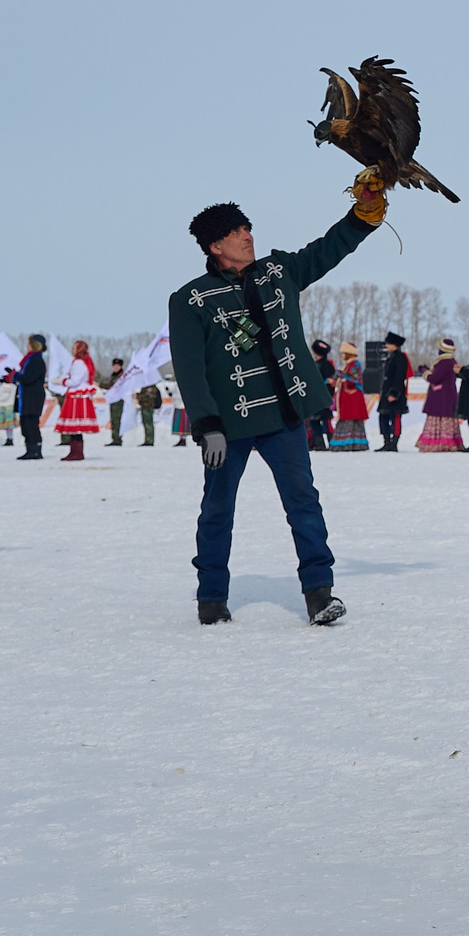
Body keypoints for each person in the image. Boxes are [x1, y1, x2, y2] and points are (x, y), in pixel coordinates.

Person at [168, 176, 386, 627]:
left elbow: (327, 250)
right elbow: (190, 369)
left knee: (304, 502)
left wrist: (362, 213)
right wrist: (207, 424)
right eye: (235, 232)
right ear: (214, 246)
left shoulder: (277, 271)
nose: (248, 236)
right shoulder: (189, 299)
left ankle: (319, 593)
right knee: (217, 510)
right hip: (227, 428)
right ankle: (211, 599)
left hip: (284, 417)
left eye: (248, 228)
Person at [55, 339, 103, 461]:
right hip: (79, 395)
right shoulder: (85, 363)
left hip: (77, 397)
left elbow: (75, 381)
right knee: (76, 427)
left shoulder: (78, 363)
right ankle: (75, 451)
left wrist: (62, 381)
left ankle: (76, 452)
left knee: (75, 426)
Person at [416, 339, 464, 451]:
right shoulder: (450, 361)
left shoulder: (445, 362)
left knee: (440, 418)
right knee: (447, 418)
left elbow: (434, 378)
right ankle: (448, 442)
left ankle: (439, 443)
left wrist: (424, 372)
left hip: (441, 398)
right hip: (446, 396)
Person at [373, 333, 411, 452]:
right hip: (386, 392)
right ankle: (386, 442)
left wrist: (394, 393)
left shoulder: (400, 358)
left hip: (395, 393)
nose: (386, 345)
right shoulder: (391, 358)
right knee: (383, 417)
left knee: (395, 418)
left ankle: (394, 443)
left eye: (388, 343)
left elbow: (399, 378)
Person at [14, 337, 49, 460]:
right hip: (26, 396)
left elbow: (28, 378)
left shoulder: (36, 361)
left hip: (33, 396)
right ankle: (30, 448)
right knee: (25, 423)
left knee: (31, 424)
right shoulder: (29, 360)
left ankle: (35, 450)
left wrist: (15, 376)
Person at [328, 350, 370, 450]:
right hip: (347, 397)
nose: (342, 355)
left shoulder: (355, 364)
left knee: (352, 418)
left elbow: (356, 379)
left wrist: (342, 375)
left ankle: (353, 444)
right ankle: (343, 443)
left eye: (343, 353)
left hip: (353, 397)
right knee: (345, 418)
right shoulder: (347, 365)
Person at [307, 341, 336, 451]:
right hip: (315, 398)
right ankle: (320, 444)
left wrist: (328, 397)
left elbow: (330, 384)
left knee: (325, 421)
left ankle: (331, 442)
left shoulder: (327, 365)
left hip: (324, 397)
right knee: (314, 421)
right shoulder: (315, 364)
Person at [135, 375, 164, 447]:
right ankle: (147, 439)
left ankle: (149, 440)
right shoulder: (146, 386)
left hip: (148, 407)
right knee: (146, 423)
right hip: (145, 407)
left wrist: (138, 396)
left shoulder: (151, 387)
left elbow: (147, 397)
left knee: (148, 423)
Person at [106, 358, 128, 446]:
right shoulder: (113, 375)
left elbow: (114, 385)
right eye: (114, 366)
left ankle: (117, 439)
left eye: (117, 366)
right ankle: (115, 438)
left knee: (117, 420)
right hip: (113, 400)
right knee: (114, 419)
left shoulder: (122, 376)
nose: (116, 367)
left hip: (119, 400)